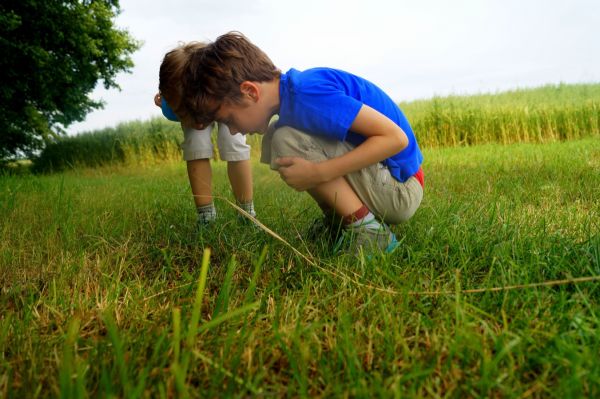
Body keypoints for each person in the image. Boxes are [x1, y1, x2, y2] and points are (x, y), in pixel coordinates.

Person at [160, 32, 424, 255]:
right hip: (386, 185)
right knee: (278, 136)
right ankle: (341, 222)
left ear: (250, 92)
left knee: (286, 138)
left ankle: (369, 231)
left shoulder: (309, 94)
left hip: (401, 190)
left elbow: (395, 139)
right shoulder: (295, 99)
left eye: (228, 118)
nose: (231, 129)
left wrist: (320, 172)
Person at [155, 42, 256, 227]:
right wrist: (189, 116)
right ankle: (206, 215)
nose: (201, 124)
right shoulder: (173, 100)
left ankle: (247, 213)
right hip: (200, 95)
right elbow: (177, 111)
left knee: (234, 141)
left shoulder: (227, 80)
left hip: (226, 97)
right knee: (196, 142)